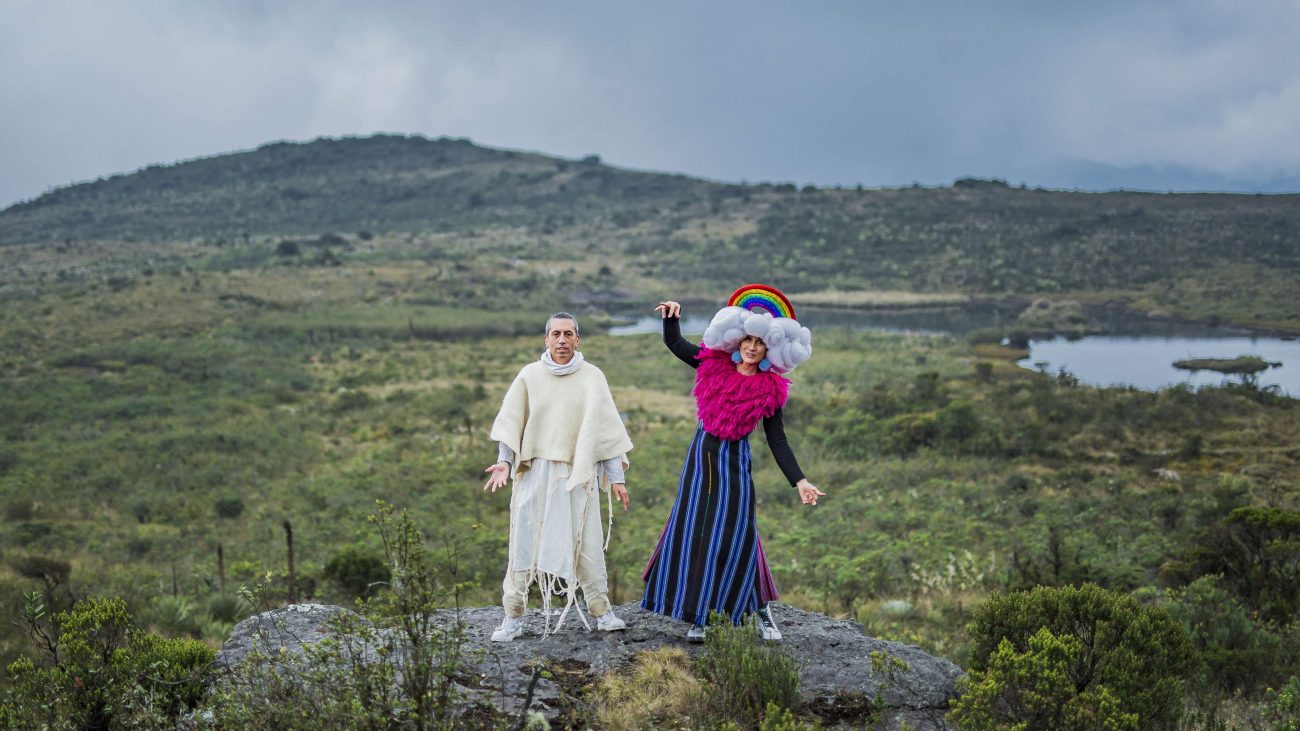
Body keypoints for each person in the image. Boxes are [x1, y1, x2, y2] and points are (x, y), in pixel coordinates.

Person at [641, 285, 825, 642]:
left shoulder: (770, 389)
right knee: (698, 531)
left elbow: (778, 440)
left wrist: (799, 480)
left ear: (770, 347)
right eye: (747, 339)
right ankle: (700, 615)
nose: (752, 347)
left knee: (740, 534)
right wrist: (672, 318)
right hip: (701, 457)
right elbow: (676, 346)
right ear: (738, 339)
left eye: (760, 343)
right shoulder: (713, 363)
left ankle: (761, 610)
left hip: (735, 462)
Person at [483, 312, 633, 642]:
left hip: (576, 474)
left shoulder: (592, 377)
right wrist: (505, 463)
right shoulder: (529, 376)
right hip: (535, 472)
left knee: (588, 542)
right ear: (546, 339)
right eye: (555, 334)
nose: (562, 340)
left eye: (568, 334)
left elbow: (605, 434)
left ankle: (601, 611)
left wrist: (615, 478)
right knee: (523, 541)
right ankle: (513, 616)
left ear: (578, 339)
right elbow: (511, 425)